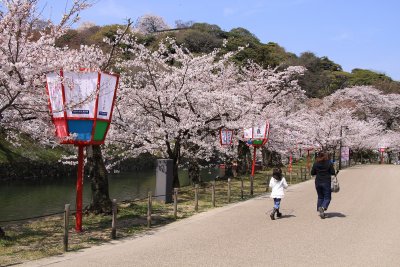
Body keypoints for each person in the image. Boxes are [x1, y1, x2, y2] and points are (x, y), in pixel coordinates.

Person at [311, 151, 336, 219]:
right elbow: (333, 172)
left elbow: (312, 173)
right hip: (326, 182)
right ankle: (322, 207)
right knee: (327, 197)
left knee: (320, 197)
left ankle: (320, 211)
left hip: (318, 182)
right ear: (325, 156)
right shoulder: (329, 163)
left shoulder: (316, 163)